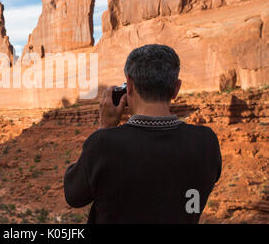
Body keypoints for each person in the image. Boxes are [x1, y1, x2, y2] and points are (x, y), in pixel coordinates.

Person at [64, 44, 222, 223]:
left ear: (129, 86)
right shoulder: (206, 142)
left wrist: (105, 128)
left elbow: (73, 195)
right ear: (176, 88)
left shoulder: (104, 145)